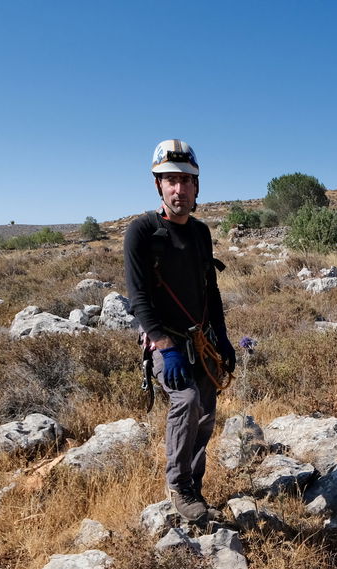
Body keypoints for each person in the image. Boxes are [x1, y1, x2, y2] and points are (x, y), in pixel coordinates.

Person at [124, 139, 236, 523]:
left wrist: (221, 337)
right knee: (185, 400)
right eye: (170, 180)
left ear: (196, 186)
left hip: (201, 339)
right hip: (164, 338)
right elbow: (138, 296)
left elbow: (211, 289)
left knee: (205, 413)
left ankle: (194, 484)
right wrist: (164, 345)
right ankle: (179, 487)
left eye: (186, 180)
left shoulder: (201, 234)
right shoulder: (142, 232)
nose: (179, 188)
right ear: (159, 186)